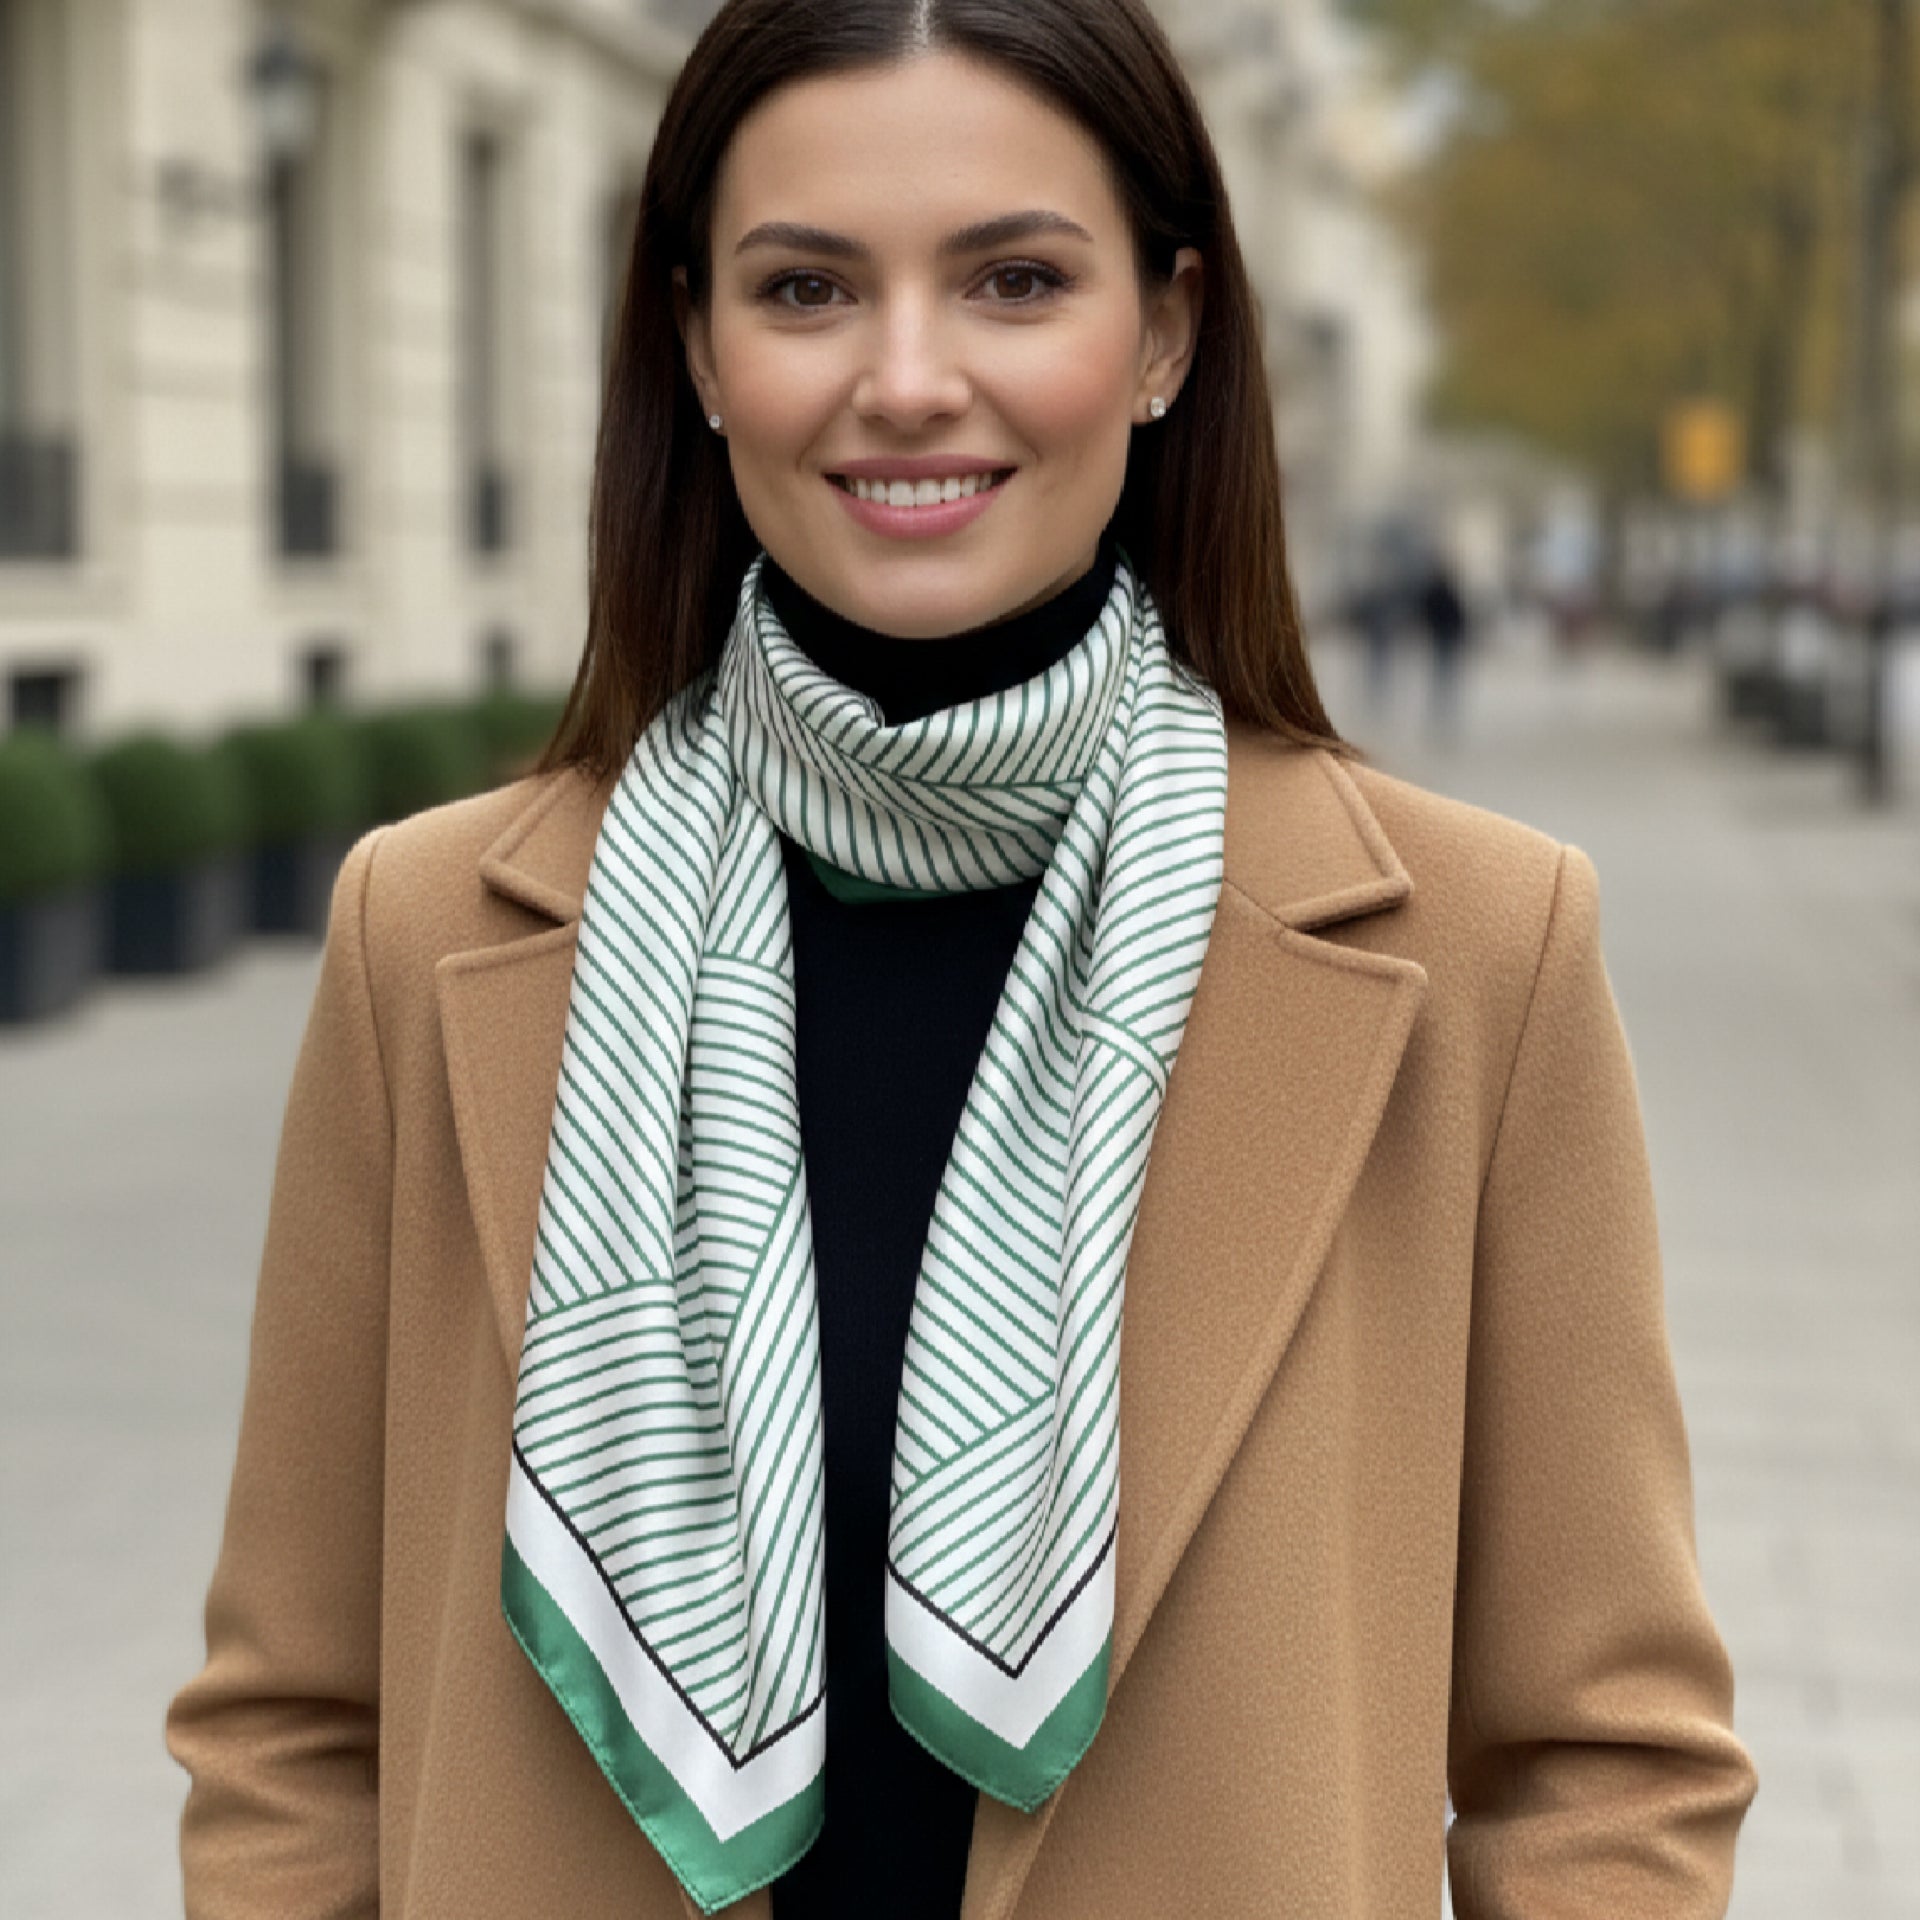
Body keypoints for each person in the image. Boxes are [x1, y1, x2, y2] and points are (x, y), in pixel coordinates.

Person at [166, 2, 1757, 1915]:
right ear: (698, 347)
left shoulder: (1484, 947)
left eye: (1015, 280)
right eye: (807, 289)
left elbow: (1603, 1762)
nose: (908, 381)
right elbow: (295, 1729)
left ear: (1166, 332)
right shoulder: (423, 934)